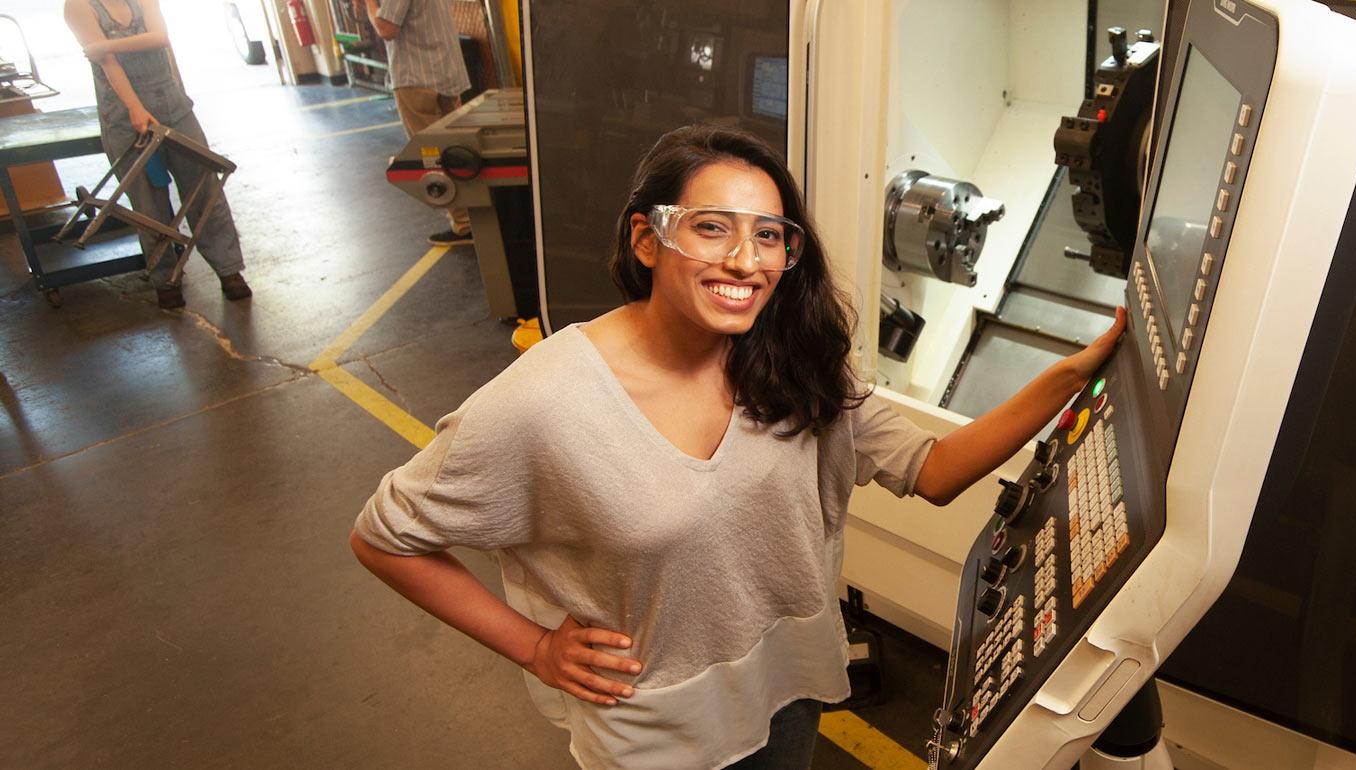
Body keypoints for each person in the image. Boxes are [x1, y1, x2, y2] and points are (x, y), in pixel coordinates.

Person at [349, 125, 1127, 769]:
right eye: (711, 227)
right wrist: (535, 648)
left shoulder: (797, 363)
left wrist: (1072, 376)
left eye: (769, 236)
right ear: (647, 240)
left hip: (789, 689)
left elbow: (935, 471)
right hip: (656, 732)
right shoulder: (542, 403)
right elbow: (386, 538)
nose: (745, 262)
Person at [63, 0, 251, 309]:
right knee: (149, 204)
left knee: (204, 189)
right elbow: (108, 63)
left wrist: (105, 44)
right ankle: (165, 279)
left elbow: (160, 37)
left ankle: (229, 270)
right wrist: (135, 107)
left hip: (173, 104)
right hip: (125, 114)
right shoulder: (79, 6)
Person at [361, 0, 474, 247]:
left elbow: (386, 29)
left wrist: (369, 4)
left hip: (416, 77)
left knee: (433, 157)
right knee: (454, 151)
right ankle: (472, 219)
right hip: (445, 71)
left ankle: (464, 225)